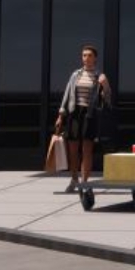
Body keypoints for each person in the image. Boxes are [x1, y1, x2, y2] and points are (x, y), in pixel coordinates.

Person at [54, 44, 113, 194]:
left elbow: (107, 99)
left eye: (89, 55)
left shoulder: (99, 76)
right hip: (75, 113)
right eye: (84, 55)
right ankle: (74, 179)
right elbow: (67, 95)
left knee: (87, 150)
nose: (86, 58)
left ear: (95, 58)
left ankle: (85, 182)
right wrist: (61, 115)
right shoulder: (76, 74)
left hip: (90, 114)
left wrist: (105, 84)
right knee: (73, 149)